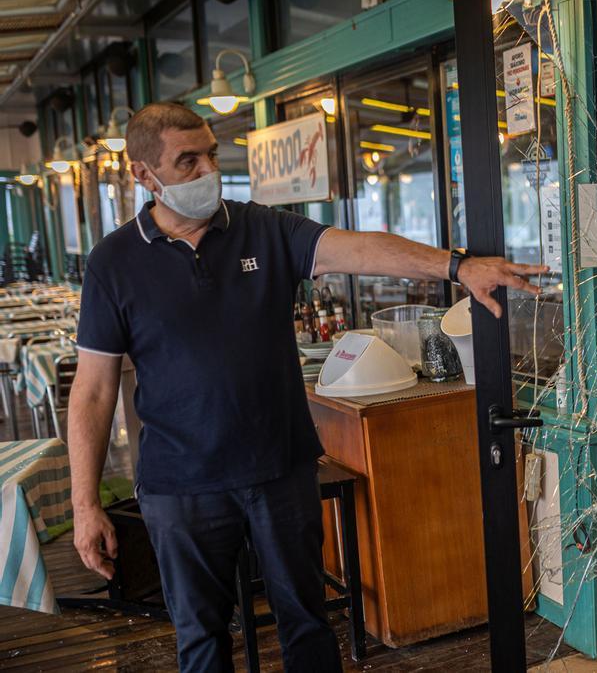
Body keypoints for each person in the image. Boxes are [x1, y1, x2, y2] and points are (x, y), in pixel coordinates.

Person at [67, 102, 545, 672]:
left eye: (212, 156)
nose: (207, 173)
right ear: (143, 174)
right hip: (181, 487)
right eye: (186, 161)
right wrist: (84, 504)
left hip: (280, 470)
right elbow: (93, 392)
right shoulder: (113, 262)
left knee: (307, 626)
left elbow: (363, 247)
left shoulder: (262, 229)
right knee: (200, 638)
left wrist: (457, 266)